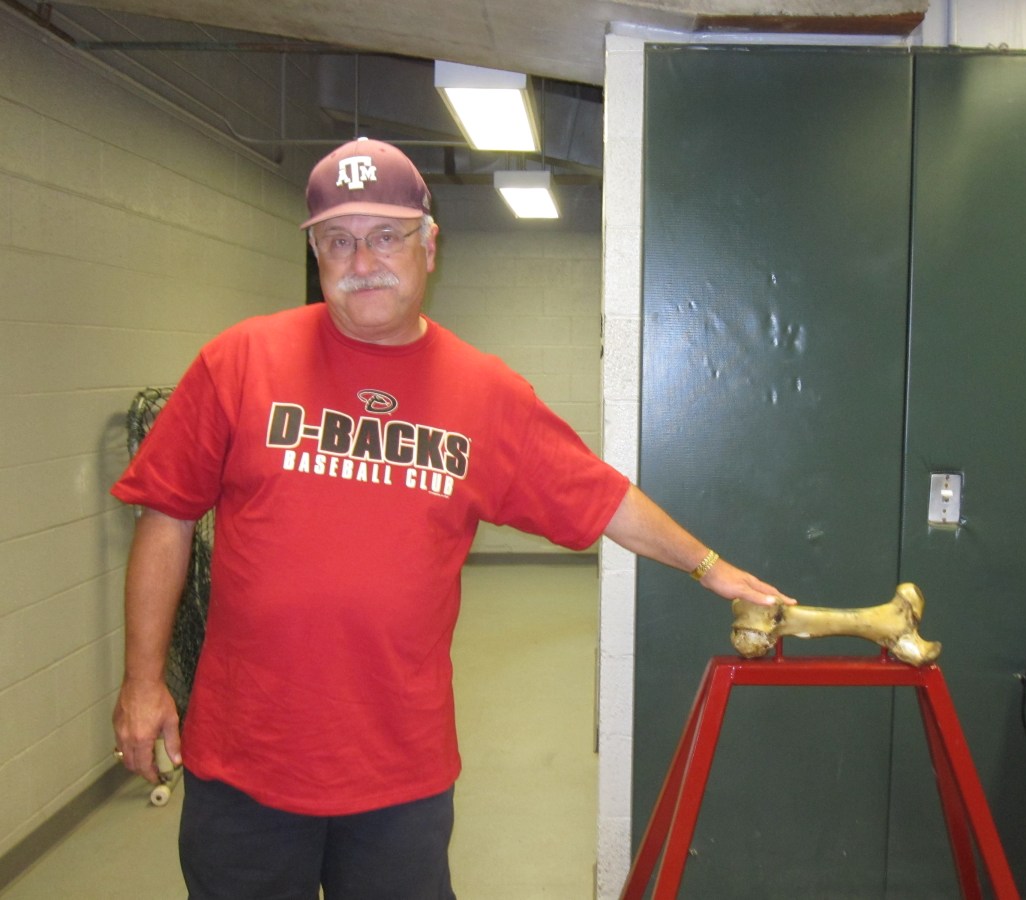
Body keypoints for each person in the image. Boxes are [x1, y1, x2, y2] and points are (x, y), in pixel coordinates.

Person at [110, 136, 792, 899]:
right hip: (245, 762)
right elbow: (166, 516)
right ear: (317, 253)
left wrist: (710, 567)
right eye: (338, 240)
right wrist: (142, 681)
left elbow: (599, 495)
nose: (363, 260)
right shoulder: (239, 362)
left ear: (429, 245)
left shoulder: (483, 393)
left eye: (386, 235)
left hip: (398, 771)